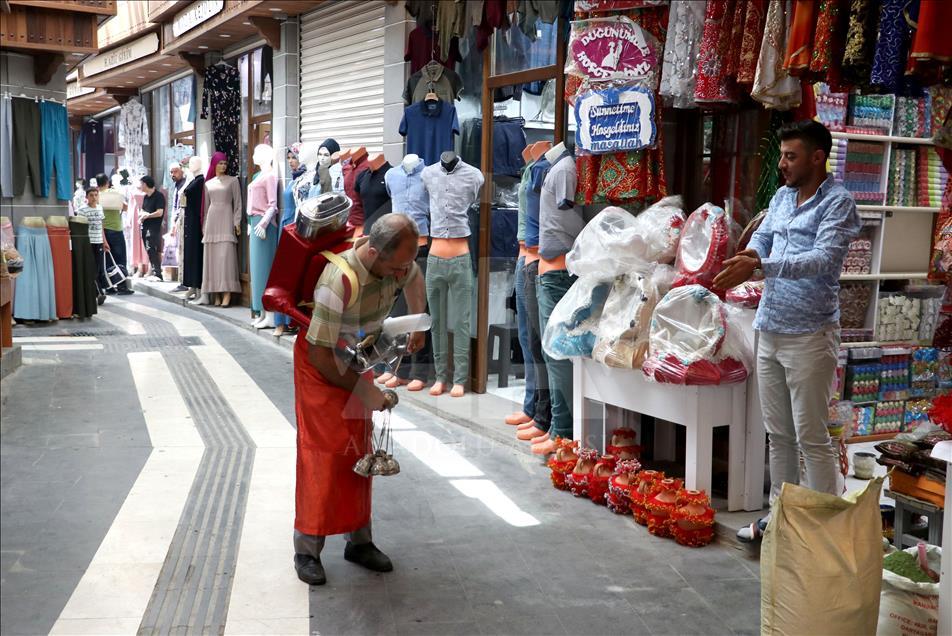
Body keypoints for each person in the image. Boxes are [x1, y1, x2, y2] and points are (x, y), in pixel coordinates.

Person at [713, 120, 861, 543]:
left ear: (818, 157)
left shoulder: (838, 203)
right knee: (778, 435)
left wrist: (760, 267)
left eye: (791, 156)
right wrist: (750, 255)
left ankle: (824, 530)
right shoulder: (781, 196)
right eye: (781, 155)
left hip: (810, 334)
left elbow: (821, 260)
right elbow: (763, 236)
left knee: (811, 436)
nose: (782, 164)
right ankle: (780, 521)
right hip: (771, 326)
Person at [293, 213, 426, 587]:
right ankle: (307, 549)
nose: (403, 272)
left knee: (358, 451)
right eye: (397, 266)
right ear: (373, 252)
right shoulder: (338, 281)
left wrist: (417, 321)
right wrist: (366, 392)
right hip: (320, 362)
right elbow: (321, 354)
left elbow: (415, 276)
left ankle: (359, 540)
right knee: (324, 452)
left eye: (405, 264)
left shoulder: (398, 264)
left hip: (355, 354)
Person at [96, 173, 133, 295]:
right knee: (120, 259)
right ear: (107, 182)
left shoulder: (96, 196)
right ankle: (122, 287)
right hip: (116, 230)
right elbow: (126, 208)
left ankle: (108, 286)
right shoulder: (114, 193)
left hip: (102, 231)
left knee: (106, 260)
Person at [75, 186, 107, 302]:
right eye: (91, 195)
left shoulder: (100, 208)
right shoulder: (82, 210)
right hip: (88, 243)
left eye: (95, 195)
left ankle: (97, 292)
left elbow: (101, 227)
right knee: (91, 269)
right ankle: (99, 292)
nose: (94, 197)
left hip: (98, 242)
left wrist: (105, 242)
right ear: (87, 197)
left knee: (98, 269)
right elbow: (80, 228)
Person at [139, 175, 166, 282]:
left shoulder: (159, 196)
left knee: (152, 248)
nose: (140, 186)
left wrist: (148, 215)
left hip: (154, 227)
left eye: (141, 184)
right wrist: (142, 215)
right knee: (148, 249)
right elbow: (142, 209)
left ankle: (158, 273)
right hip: (144, 226)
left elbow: (160, 212)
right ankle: (155, 271)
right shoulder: (146, 196)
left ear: (145, 184)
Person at [167, 161, 189, 292]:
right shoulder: (176, 185)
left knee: (183, 250)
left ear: (181, 171)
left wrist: (175, 222)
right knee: (179, 250)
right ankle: (181, 280)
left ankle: (184, 281)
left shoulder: (186, 183)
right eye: (171, 172)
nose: (172, 174)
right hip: (177, 219)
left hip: (183, 219)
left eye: (175, 171)